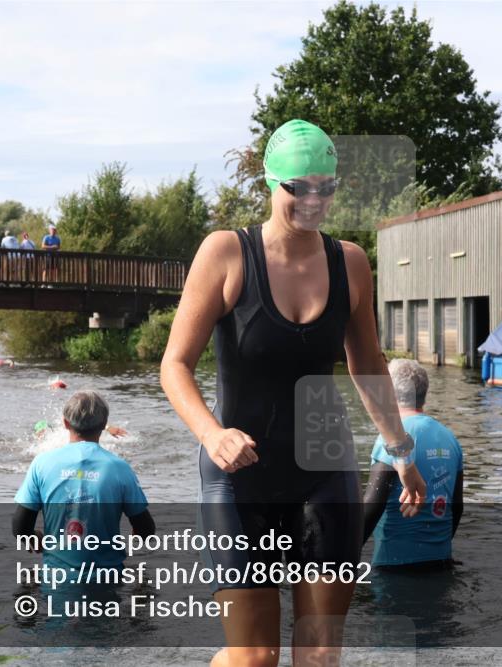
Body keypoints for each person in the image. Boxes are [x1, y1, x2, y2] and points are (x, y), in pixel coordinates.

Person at [160, 118, 426, 667]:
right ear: (270, 181)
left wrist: (401, 452)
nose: (313, 201)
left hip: (324, 471)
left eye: (326, 188)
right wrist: (211, 434)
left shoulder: (350, 262)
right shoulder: (226, 253)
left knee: (320, 656)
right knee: (255, 657)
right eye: (298, 188)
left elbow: (367, 365)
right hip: (240, 475)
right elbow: (175, 365)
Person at [12, 391, 155, 577]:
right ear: (104, 425)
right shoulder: (120, 468)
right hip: (108, 579)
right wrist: (137, 535)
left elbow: (20, 528)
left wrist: (33, 538)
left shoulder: (42, 463)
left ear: (65, 423)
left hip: (56, 579)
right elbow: (146, 530)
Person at [363, 359, 464, 569]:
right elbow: (457, 507)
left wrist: (341, 557)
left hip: (393, 565)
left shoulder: (392, 439)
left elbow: (372, 505)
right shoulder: (450, 438)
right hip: (440, 562)